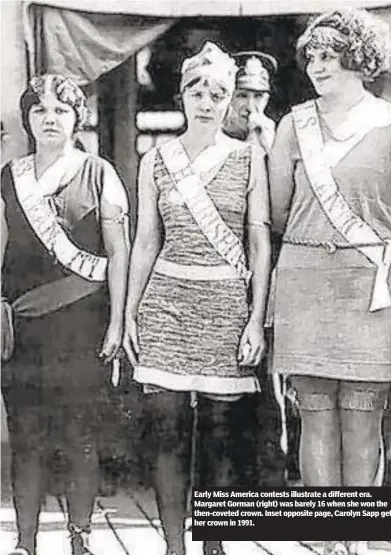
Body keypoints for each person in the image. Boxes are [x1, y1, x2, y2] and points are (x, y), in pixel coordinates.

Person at [268, 9, 391, 555]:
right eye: (313, 55)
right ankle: (327, 538)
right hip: (306, 277)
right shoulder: (292, 125)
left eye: (330, 55)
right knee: (315, 413)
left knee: (363, 414)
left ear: (360, 60)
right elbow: (277, 214)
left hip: (372, 284)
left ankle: (358, 537)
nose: (317, 65)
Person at [123, 42, 271, 555]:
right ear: (181, 94)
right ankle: (172, 545)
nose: (207, 101)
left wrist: (256, 318)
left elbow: (258, 242)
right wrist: (129, 314)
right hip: (166, 303)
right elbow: (145, 241)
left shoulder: (250, 158)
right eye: (197, 91)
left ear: (231, 100)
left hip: (226, 307)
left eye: (219, 93)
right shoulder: (155, 159)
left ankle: (214, 543)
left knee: (219, 437)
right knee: (166, 431)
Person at [1, 74, 130, 555]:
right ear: (28, 120)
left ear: (78, 118)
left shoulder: (100, 173)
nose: (50, 119)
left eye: (60, 110)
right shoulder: (9, 179)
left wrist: (119, 322)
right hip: (27, 329)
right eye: (40, 111)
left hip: (86, 324)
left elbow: (119, 254)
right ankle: (26, 542)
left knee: (81, 435)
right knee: (28, 437)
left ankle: (81, 539)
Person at [224, 50, 289, 486]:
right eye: (242, 94)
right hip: (216, 278)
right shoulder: (205, 141)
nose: (250, 106)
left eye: (259, 95)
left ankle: (269, 489)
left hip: (268, 278)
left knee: (270, 386)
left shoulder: (279, 141)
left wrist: (269, 153)